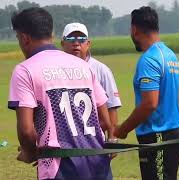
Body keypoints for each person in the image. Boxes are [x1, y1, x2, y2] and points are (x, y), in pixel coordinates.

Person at [8, 7, 114, 180]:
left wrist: (30, 152)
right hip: (98, 164)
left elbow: (27, 131)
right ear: (52, 34)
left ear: (24, 38)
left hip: (61, 169)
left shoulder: (25, 70)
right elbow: (105, 121)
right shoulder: (83, 66)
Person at [114, 6, 179, 180]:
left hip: (158, 135)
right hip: (172, 131)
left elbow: (149, 104)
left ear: (135, 29)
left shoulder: (149, 60)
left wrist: (122, 129)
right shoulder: (170, 56)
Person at [61, 22, 121, 141]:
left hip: (95, 140)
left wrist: (112, 138)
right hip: (65, 139)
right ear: (63, 43)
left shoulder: (101, 70)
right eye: (71, 38)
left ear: (88, 44)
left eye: (81, 39)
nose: (76, 43)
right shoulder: (55, 70)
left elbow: (112, 106)